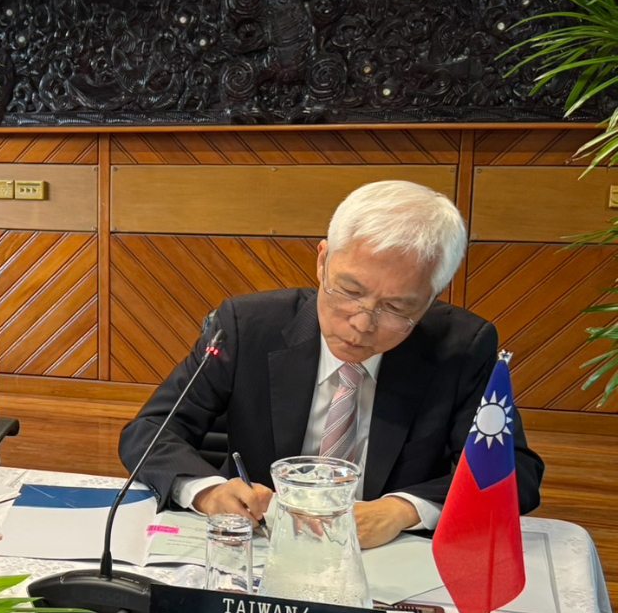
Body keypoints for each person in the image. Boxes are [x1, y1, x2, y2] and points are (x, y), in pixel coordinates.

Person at [118, 180, 545, 549]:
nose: (361, 324)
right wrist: (207, 492)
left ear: (433, 297)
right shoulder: (247, 326)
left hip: (381, 560)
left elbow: (515, 474)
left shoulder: (462, 347)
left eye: (398, 308)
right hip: (258, 548)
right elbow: (149, 432)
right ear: (322, 260)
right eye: (349, 290)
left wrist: (401, 510)